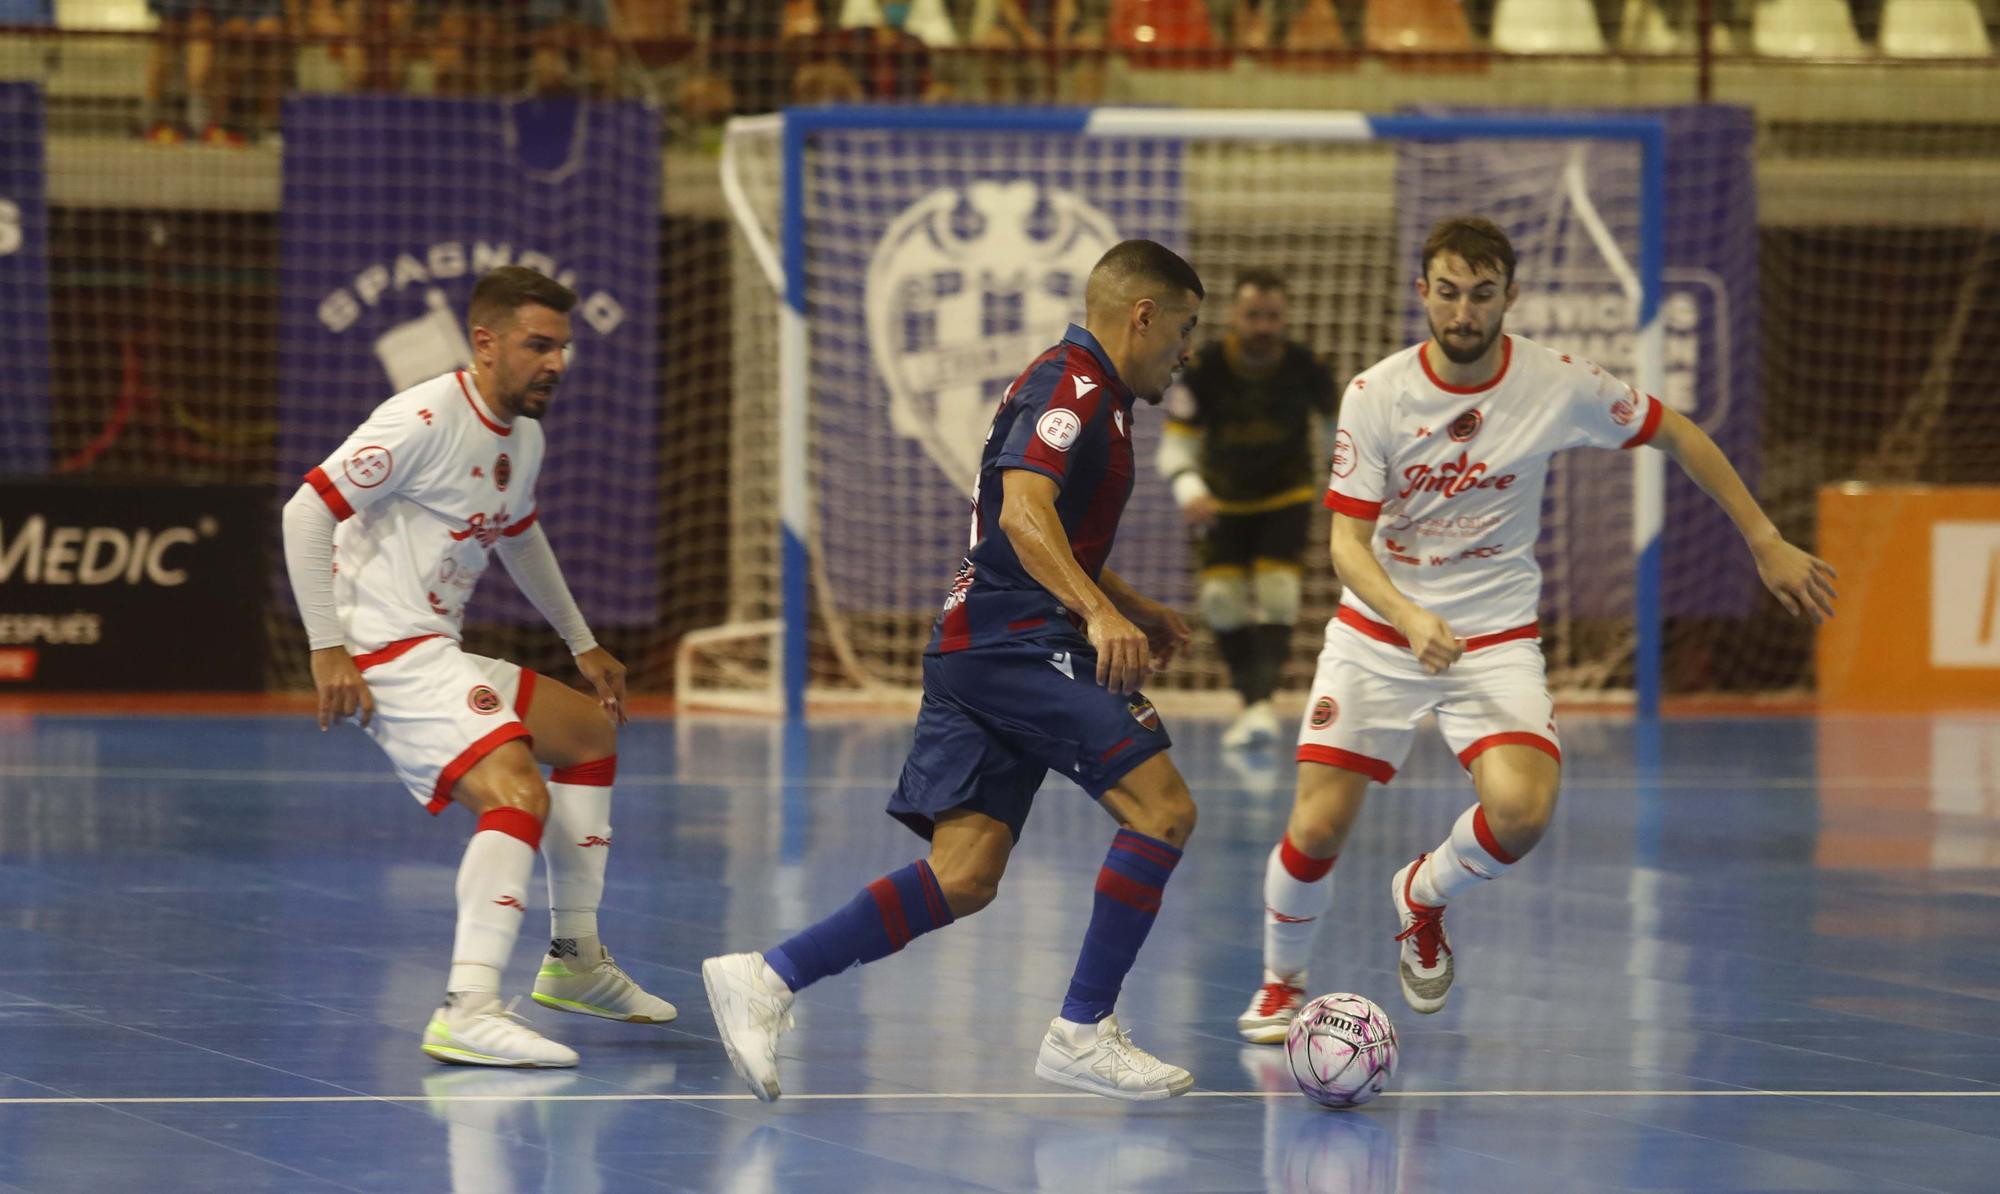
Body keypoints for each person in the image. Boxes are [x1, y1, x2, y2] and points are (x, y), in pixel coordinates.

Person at [1236, 217, 1837, 1043]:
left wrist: (1763, 537)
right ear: (1423, 294)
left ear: (1509, 298)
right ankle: (1280, 981)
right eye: (1447, 292)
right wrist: (1408, 617)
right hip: (1382, 630)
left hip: (1493, 636)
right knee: (1316, 828)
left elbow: (1679, 432)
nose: (1463, 311)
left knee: (1521, 814)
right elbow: (1345, 543)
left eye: (1482, 295)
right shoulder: (1376, 394)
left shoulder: (1559, 383)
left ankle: (1422, 895)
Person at [703, 239, 1206, 1103]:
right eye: (1185, 329)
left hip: (980, 643)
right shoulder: (1073, 387)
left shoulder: (1090, 390)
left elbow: (1055, 530)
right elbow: (1021, 512)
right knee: (1163, 812)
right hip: (1019, 642)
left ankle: (768, 978)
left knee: (964, 876)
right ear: (1143, 314)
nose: (1187, 351)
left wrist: (1130, 601)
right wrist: (1096, 611)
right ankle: (1083, 1030)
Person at [281, 266, 678, 1068]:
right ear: (486, 342)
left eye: (563, 347)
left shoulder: (524, 436)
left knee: (586, 735)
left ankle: (575, 962)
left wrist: (581, 642)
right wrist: (327, 646)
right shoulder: (423, 416)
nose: (556, 362)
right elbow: (306, 511)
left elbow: (519, 534)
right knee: (517, 789)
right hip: (385, 654)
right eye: (539, 345)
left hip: (432, 646)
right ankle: (467, 1006)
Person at [1157, 269, 1335, 750]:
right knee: (1220, 600)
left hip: (1287, 496)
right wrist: (1190, 488)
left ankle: (1258, 706)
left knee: (1279, 592)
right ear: (1236, 315)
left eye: (1272, 316)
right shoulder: (1205, 369)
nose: (1262, 325)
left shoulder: (1308, 368)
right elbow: (1176, 444)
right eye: (1253, 315)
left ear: (1285, 318)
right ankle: (1253, 704)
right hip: (1222, 501)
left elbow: (1340, 430)